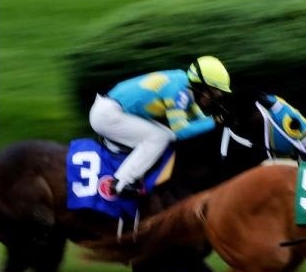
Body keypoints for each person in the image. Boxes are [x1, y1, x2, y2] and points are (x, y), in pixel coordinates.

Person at [88, 56, 231, 197]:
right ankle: (122, 182)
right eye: (214, 91)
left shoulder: (183, 83)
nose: (217, 96)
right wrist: (214, 121)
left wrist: (215, 120)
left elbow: (196, 114)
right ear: (201, 85)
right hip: (107, 115)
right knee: (160, 137)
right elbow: (180, 131)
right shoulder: (179, 91)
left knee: (167, 135)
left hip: (111, 110)